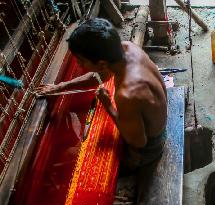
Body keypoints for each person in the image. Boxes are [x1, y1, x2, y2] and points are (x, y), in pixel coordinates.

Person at [35, 18, 167, 171]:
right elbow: (99, 77)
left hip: (148, 150)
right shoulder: (128, 48)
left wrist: (108, 105)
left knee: (71, 158)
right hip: (155, 124)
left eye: (81, 61)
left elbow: (138, 142)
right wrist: (61, 86)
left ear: (102, 64)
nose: (79, 65)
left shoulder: (128, 94)